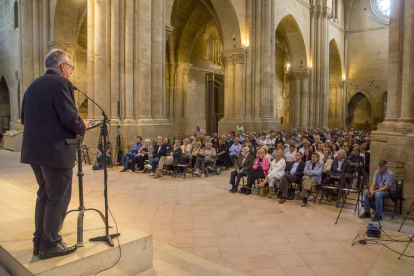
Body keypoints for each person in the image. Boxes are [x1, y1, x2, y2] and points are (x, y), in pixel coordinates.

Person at [21, 49, 88, 259]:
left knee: (44, 194)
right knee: (58, 198)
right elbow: (70, 118)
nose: (70, 72)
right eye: (70, 67)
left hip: (35, 153)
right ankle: (50, 244)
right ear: (62, 66)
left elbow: (24, 119)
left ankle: (39, 241)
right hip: (56, 153)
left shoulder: (32, 86)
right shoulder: (61, 84)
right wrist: (82, 125)